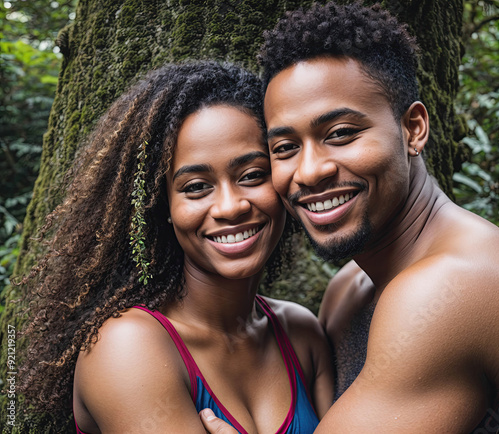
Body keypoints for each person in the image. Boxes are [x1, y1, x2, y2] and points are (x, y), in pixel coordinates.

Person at [200, 2, 499, 433]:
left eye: (340, 134)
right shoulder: (348, 291)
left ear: (413, 128)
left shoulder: (454, 283)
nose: (309, 171)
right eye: (285, 148)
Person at [18, 61, 334, 433]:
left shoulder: (301, 333)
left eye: (251, 176)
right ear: (163, 206)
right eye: (196, 186)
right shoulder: (129, 346)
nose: (230, 207)